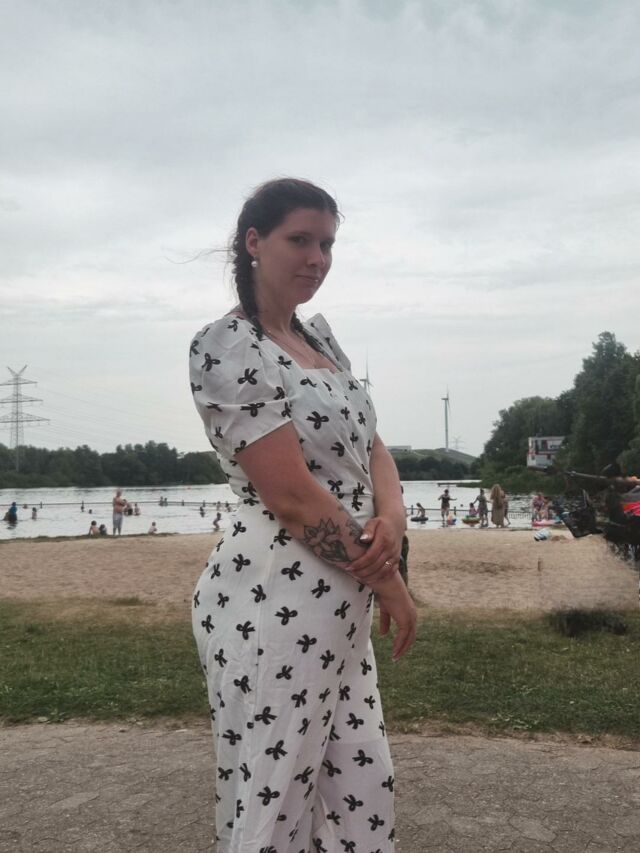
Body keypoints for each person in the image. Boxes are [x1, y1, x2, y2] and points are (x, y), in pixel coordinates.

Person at [189, 178, 416, 852]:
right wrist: (391, 582)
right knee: (277, 793)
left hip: (342, 590)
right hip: (274, 596)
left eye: (327, 244)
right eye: (300, 239)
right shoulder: (228, 346)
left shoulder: (320, 341)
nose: (317, 258)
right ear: (254, 242)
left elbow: (374, 447)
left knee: (363, 784)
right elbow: (291, 497)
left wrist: (394, 516)